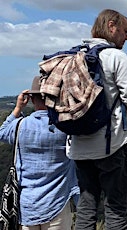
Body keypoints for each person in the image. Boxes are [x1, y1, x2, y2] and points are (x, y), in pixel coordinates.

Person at [68, 9, 127, 230]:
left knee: (86, 210)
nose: (126, 37)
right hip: (112, 146)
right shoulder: (116, 57)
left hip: (79, 147)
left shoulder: (75, 56)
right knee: (116, 212)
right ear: (112, 26)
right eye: (125, 31)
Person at [0, 76, 79, 229]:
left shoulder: (19, 126)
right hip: (57, 202)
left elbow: (2, 132)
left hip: (27, 205)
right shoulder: (66, 127)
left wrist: (18, 109)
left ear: (31, 98)